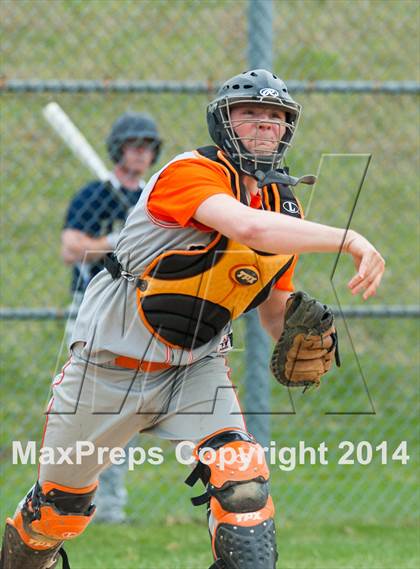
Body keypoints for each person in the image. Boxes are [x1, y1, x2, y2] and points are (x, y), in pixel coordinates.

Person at [1, 69, 385, 569]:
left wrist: (299, 329)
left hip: (195, 369)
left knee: (243, 485)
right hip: (107, 367)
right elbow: (245, 225)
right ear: (223, 123)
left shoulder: (282, 208)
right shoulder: (191, 172)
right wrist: (347, 238)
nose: (264, 125)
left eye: (276, 116)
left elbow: (273, 310)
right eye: (249, 114)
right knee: (55, 514)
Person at [61, 111, 162, 523]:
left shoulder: (153, 200)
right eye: (133, 146)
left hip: (136, 314)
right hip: (90, 312)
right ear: (118, 150)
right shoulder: (93, 195)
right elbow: (71, 248)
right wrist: (113, 242)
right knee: (81, 409)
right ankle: (65, 499)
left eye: (146, 147)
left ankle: (110, 505)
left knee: (125, 412)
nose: (140, 154)